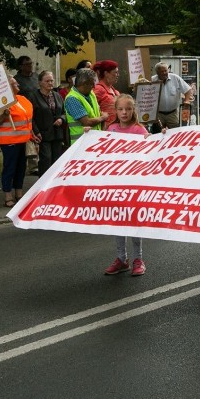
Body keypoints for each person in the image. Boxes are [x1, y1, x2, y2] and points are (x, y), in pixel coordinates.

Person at [104, 94, 149, 277]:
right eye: (120, 109)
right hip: (116, 184)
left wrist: (155, 138)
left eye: (128, 109)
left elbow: (149, 152)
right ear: (116, 110)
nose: (124, 112)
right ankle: (121, 258)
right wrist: (87, 136)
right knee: (118, 222)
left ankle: (138, 259)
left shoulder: (139, 130)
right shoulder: (111, 129)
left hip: (134, 184)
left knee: (134, 222)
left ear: (133, 110)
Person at [0, 76, 37, 207]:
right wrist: (4, 115)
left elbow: (28, 120)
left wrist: (32, 134)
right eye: (14, 83)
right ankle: (8, 196)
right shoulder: (2, 102)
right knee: (10, 168)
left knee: (21, 168)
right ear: (7, 87)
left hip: (24, 140)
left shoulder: (22, 100)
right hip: (9, 141)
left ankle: (19, 193)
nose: (18, 84)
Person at [27, 71, 66, 176]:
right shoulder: (33, 96)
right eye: (47, 81)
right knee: (46, 160)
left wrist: (62, 119)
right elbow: (30, 116)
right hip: (42, 134)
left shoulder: (57, 96)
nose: (50, 83)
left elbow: (64, 112)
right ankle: (43, 185)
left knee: (57, 161)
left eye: (52, 80)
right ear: (40, 82)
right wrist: (36, 131)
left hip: (57, 134)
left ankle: (54, 186)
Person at [64, 68, 108, 145]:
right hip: (80, 144)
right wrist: (103, 118)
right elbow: (86, 122)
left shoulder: (91, 94)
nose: (94, 86)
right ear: (84, 83)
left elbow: (99, 113)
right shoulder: (72, 99)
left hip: (94, 141)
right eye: (92, 83)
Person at [151, 62, 194, 129]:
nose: (164, 73)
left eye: (165, 70)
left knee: (175, 133)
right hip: (158, 114)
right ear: (157, 72)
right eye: (162, 71)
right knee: (158, 134)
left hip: (172, 113)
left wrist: (187, 100)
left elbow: (188, 90)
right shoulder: (152, 80)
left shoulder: (175, 78)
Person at [92, 60, 121, 126]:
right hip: (105, 130)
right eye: (115, 72)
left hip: (117, 128)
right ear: (106, 73)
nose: (118, 75)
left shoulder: (115, 91)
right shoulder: (98, 89)